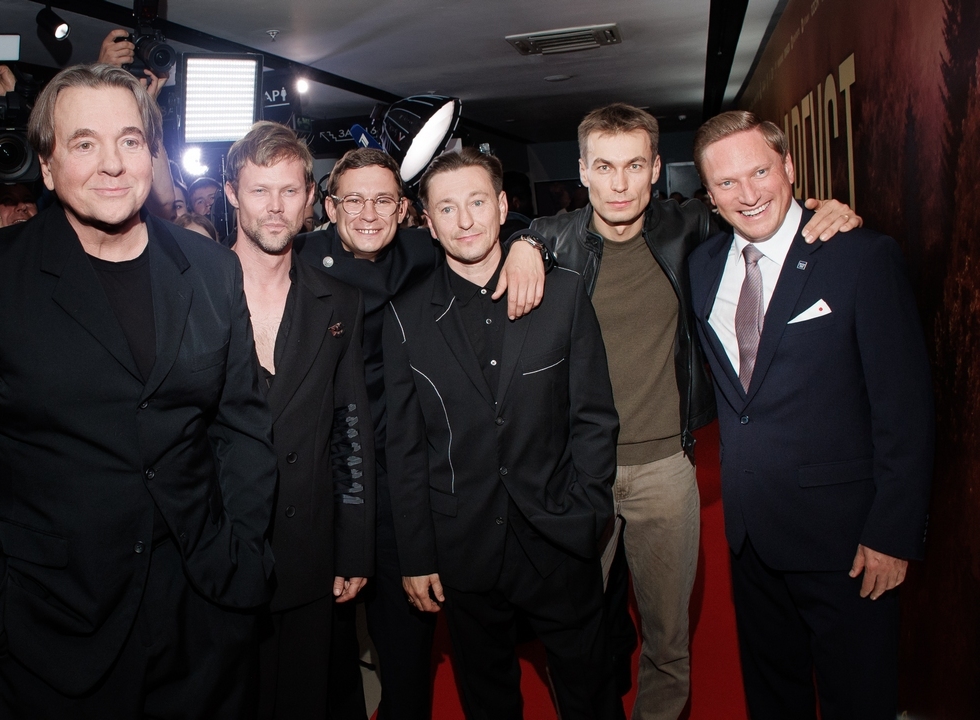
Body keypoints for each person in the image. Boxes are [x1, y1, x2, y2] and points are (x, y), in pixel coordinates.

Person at [0, 64, 278, 718]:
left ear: (151, 154)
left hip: (205, 617)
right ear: (47, 166)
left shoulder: (211, 269)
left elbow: (243, 427)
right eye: (85, 142)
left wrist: (242, 556)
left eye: (130, 140)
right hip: (52, 628)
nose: (112, 163)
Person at [526, 102, 861, 720]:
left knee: (668, 640)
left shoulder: (691, 230)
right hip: (575, 472)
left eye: (634, 165)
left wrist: (824, 210)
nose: (620, 183)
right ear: (583, 170)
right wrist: (523, 242)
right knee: (572, 634)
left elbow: (762, 214)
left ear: (656, 169)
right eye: (605, 166)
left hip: (666, 470)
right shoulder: (550, 242)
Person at [688, 111, 933, 720]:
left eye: (760, 172)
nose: (748, 194)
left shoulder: (860, 257)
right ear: (709, 195)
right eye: (726, 182)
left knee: (859, 701)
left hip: (846, 543)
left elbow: (905, 410)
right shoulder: (702, 265)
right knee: (775, 700)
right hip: (751, 538)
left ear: (790, 167)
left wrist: (892, 534)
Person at [294, 146, 547, 720]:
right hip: (323, 485)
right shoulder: (298, 260)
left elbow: (496, 224)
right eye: (353, 200)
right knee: (323, 659)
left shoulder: (422, 249)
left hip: (399, 482)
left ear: (405, 210)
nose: (368, 214)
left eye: (383, 200)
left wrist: (531, 245)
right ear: (329, 208)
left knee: (407, 655)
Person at [384, 148, 619, 719]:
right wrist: (416, 555)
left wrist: (589, 511)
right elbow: (406, 448)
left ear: (503, 205)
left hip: (559, 536)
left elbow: (593, 416)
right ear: (427, 222)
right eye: (447, 208)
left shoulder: (562, 295)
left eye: (477, 202)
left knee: (590, 693)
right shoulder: (404, 317)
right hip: (464, 546)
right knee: (487, 701)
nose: (465, 220)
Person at [221, 120, 375, 720]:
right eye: (259, 190)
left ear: (311, 196)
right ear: (232, 194)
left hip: (311, 552)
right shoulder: (192, 293)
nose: (275, 206)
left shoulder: (339, 300)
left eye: (289, 190)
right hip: (220, 554)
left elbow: (350, 431)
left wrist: (353, 546)